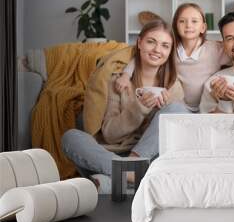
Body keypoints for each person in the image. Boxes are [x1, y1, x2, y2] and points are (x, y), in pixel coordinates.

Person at [62, 20, 189, 190]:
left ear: (170, 51)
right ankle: (131, 176)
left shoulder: (173, 86)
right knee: (71, 137)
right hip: (111, 154)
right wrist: (139, 108)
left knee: (177, 110)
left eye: (165, 45)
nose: (158, 50)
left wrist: (162, 112)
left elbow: (178, 140)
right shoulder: (117, 81)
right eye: (151, 42)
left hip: (149, 158)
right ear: (139, 43)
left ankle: (118, 178)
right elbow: (109, 135)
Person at [115, 3, 231, 112]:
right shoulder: (169, 48)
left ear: (203, 27)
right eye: (182, 21)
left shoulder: (215, 49)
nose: (188, 25)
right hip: (178, 106)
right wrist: (126, 75)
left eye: (194, 21)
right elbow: (138, 58)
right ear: (175, 25)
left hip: (207, 107)